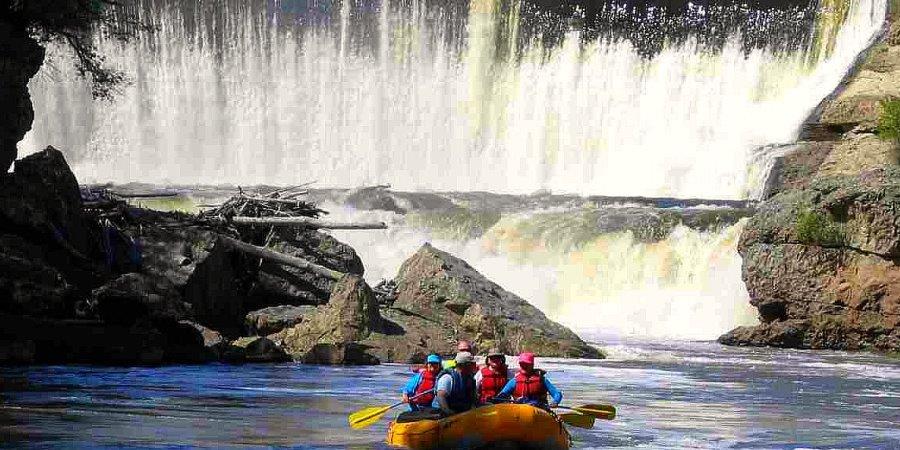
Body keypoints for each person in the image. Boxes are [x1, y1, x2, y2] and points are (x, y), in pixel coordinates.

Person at [496, 352, 562, 408]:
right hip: (519, 411)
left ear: (532, 365)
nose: (524, 366)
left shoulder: (542, 380)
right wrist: (492, 401)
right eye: (522, 364)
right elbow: (501, 396)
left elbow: (557, 393)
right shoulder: (514, 381)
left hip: (539, 410)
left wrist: (555, 402)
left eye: (527, 364)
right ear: (519, 364)